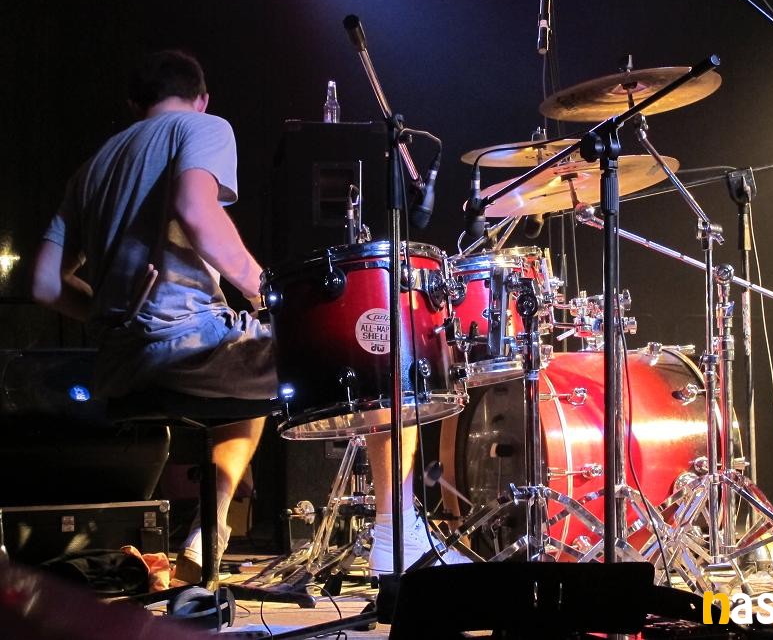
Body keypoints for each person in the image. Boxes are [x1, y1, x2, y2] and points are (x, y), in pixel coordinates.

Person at [31, 49, 466, 581]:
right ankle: (396, 536)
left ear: (134, 103)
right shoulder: (201, 126)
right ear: (201, 97)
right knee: (381, 350)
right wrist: (269, 295)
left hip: (120, 368)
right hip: (186, 344)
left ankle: (207, 535)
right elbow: (197, 211)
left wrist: (112, 317)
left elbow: (45, 283)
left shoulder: (92, 168)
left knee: (254, 368)